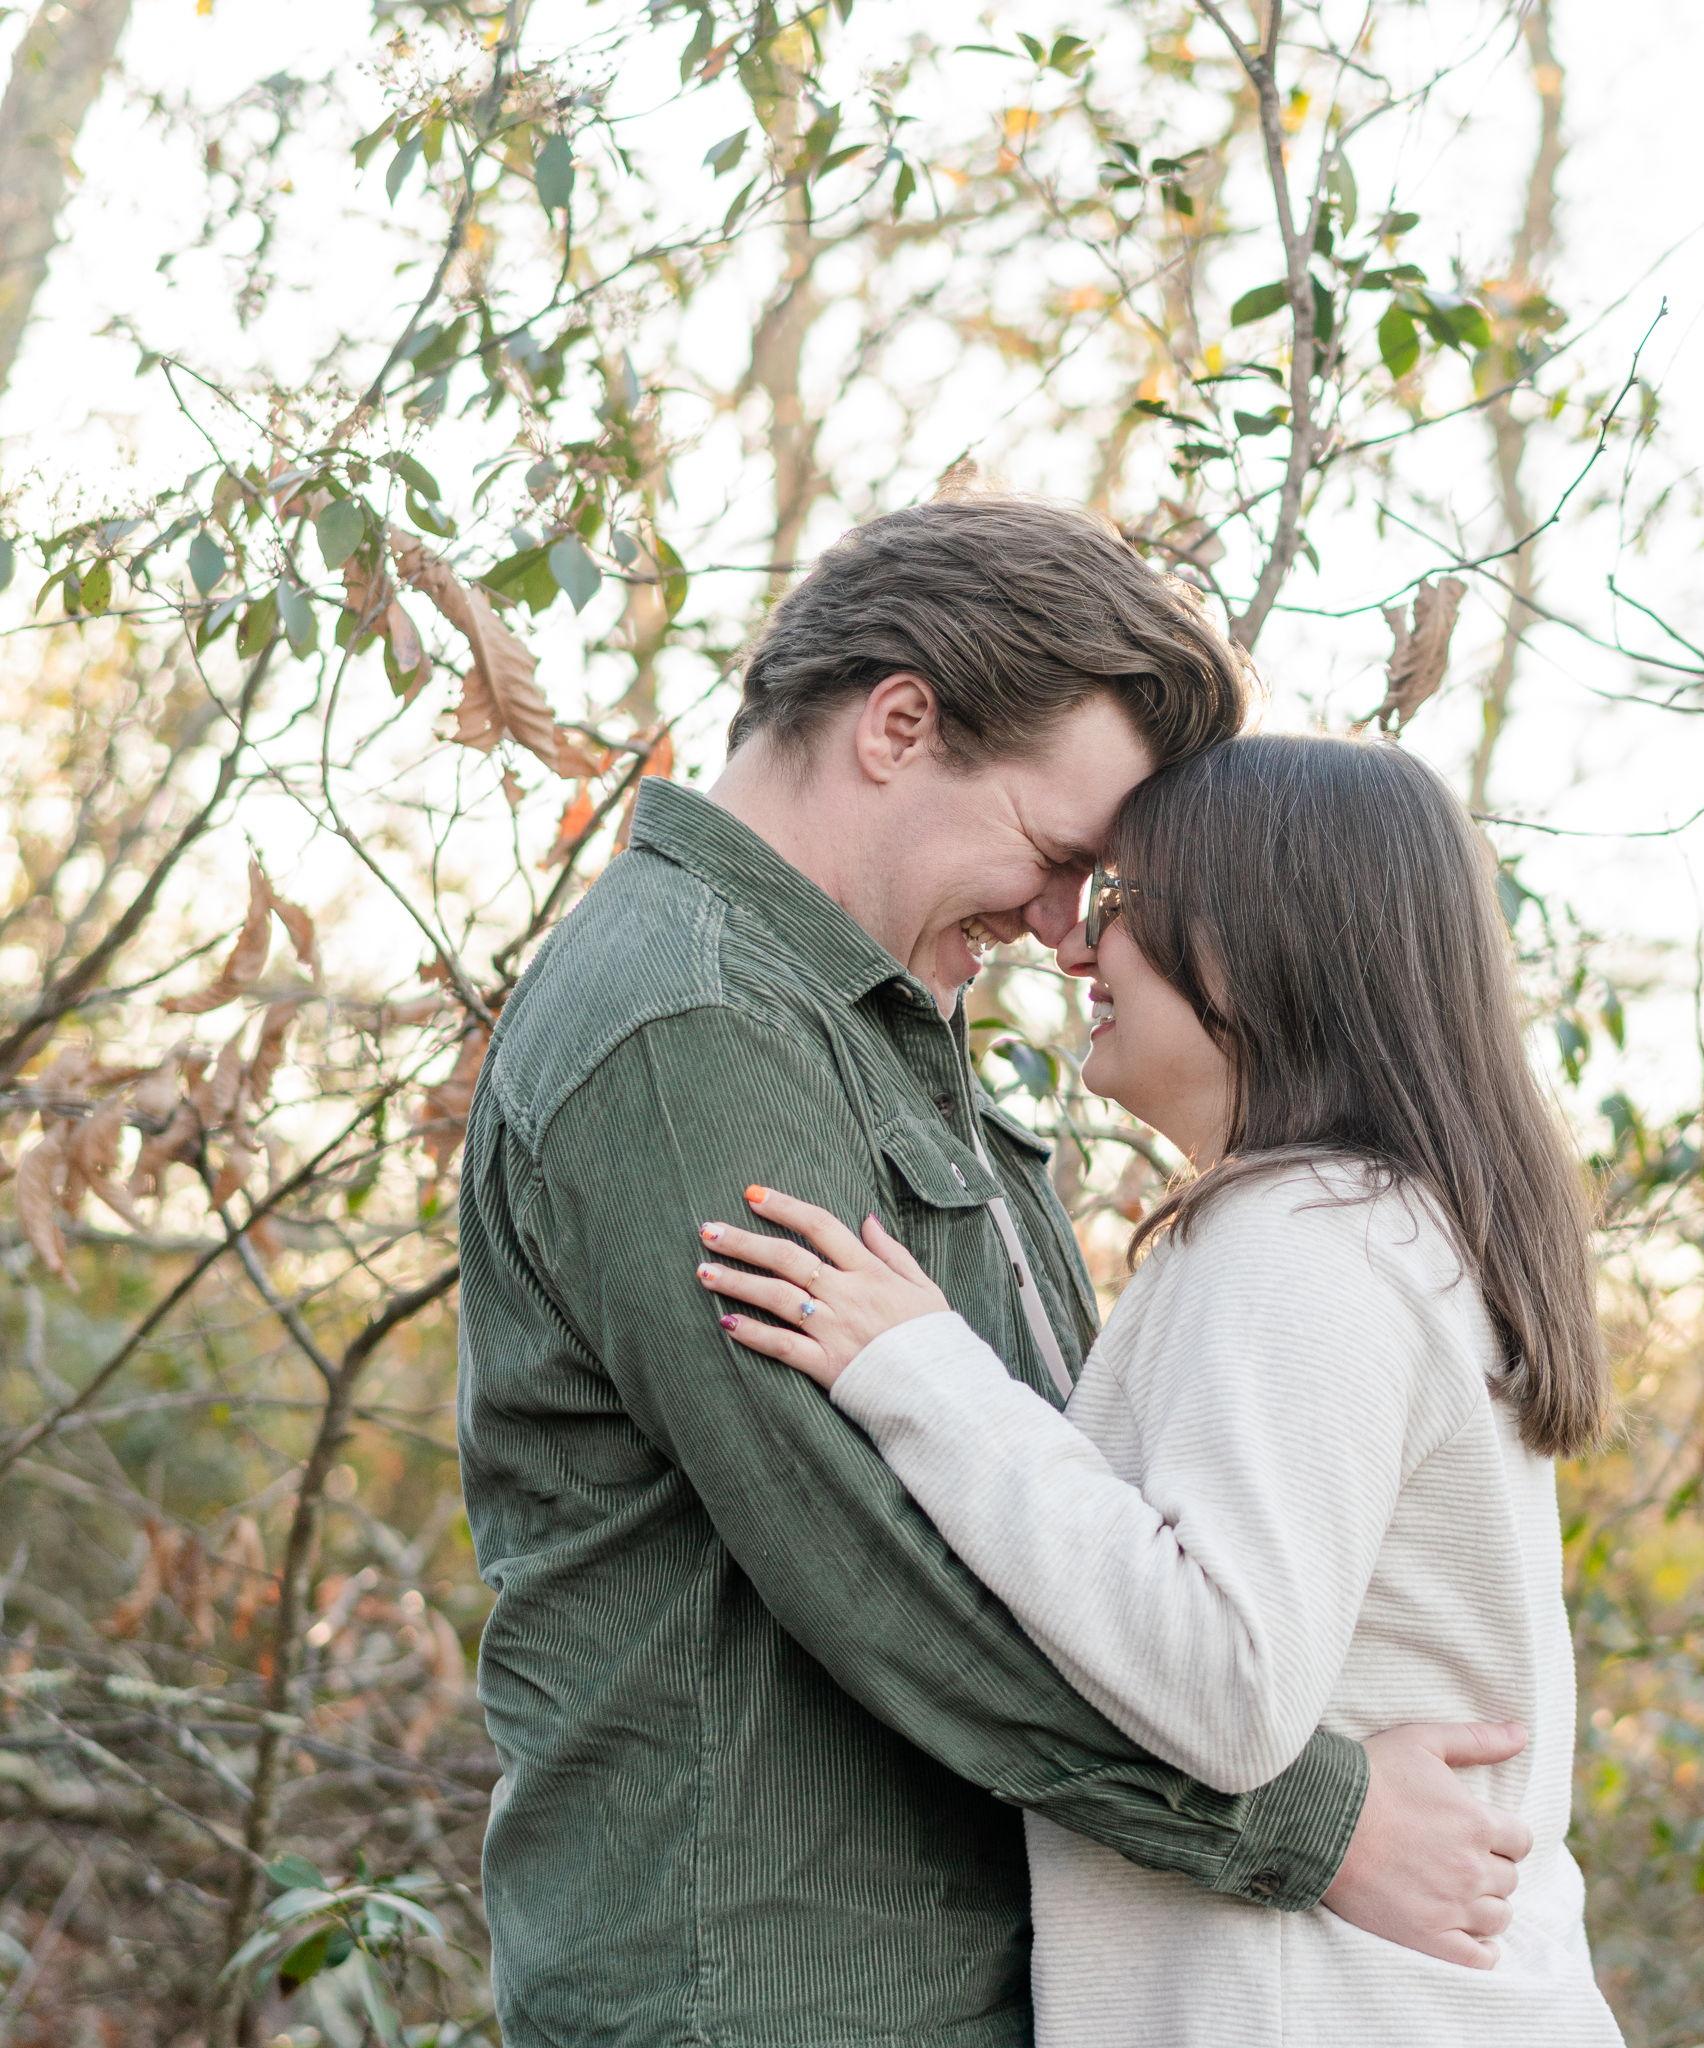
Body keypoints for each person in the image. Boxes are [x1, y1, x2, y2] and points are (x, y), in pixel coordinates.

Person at [456, 498, 1534, 2048]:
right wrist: (1316, 1826)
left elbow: (1067, 1519)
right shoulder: (690, 1033)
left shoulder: (868, 1033)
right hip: (775, 1992)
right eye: (1052, 855)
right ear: (898, 724)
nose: (1055, 926)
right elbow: (882, 1562)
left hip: (951, 1977)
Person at [695, 731, 1626, 2046]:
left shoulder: (1308, 1235)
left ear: (1256, 944)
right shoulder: (1386, 1227)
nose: (1075, 947)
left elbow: (1224, 1684)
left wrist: (921, 1374)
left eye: (1121, 904)